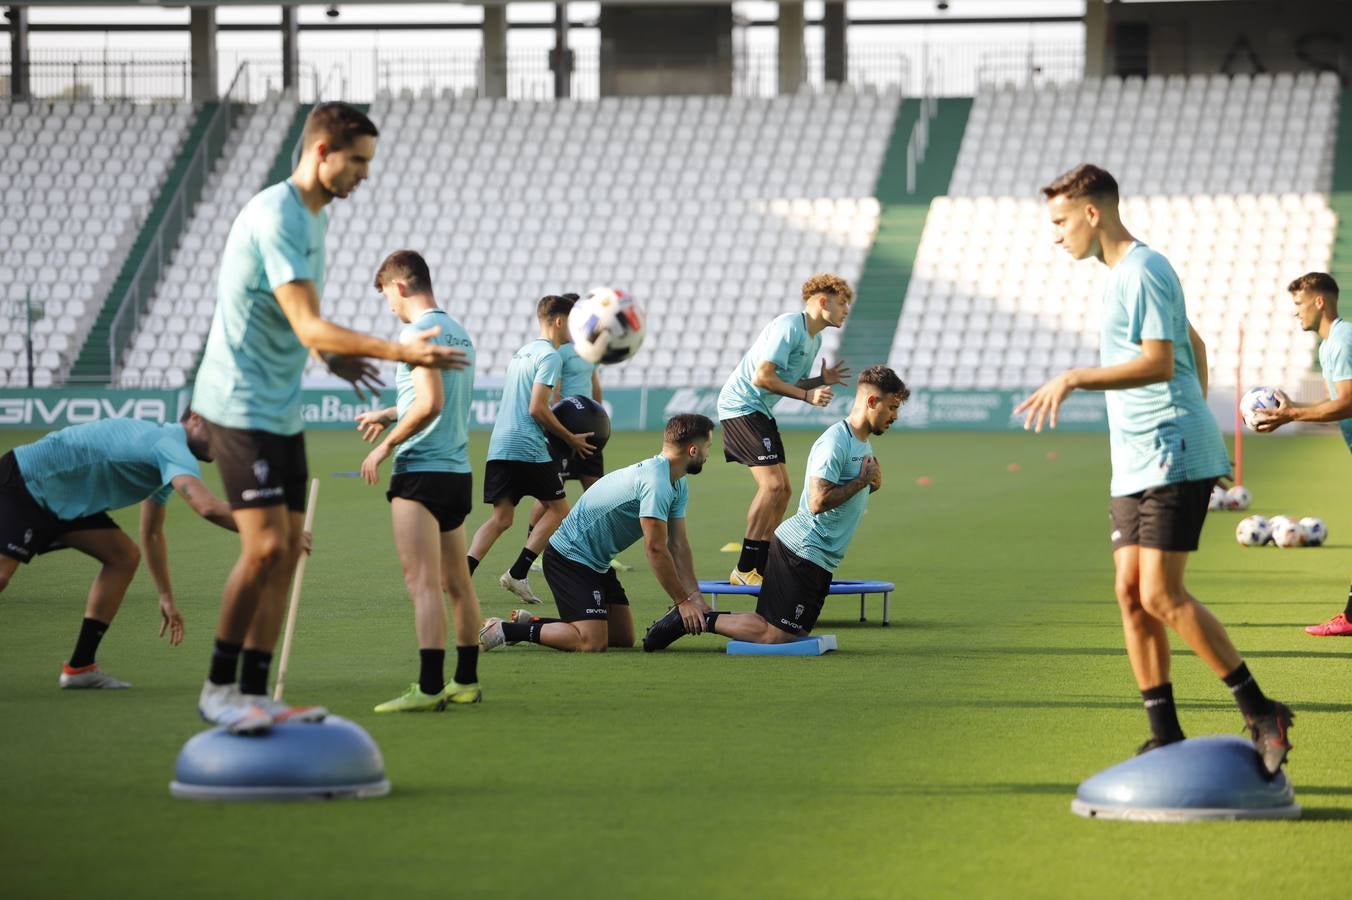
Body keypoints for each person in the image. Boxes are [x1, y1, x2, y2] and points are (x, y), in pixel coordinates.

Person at [191, 102, 468, 734]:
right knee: (262, 548)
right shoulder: (279, 216)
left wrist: (329, 359)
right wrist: (400, 349)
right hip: (239, 402)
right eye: (359, 161)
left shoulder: (313, 218)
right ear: (322, 152)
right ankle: (217, 687)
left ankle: (255, 693)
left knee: (287, 551)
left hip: (279, 406)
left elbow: (297, 318)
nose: (365, 175)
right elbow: (309, 321)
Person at [1014, 163, 1292, 776]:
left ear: (1092, 213)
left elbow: (1163, 362)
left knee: (1161, 594)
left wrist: (1077, 376)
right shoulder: (1119, 277)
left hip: (1169, 453)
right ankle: (1164, 733)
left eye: (1061, 221)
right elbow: (1195, 344)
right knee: (1130, 596)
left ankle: (1261, 711)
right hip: (1136, 461)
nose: (1055, 235)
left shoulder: (1145, 268)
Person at [643, 368, 905, 651]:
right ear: (871, 402)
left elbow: (853, 486)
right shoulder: (835, 441)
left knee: (793, 630)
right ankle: (691, 620)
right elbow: (818, 501)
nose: (895, 416)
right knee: (775, 635)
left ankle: (698, 619)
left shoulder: (861, 443)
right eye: (892, 407)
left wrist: (870, 484)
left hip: (820, 556)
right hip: (803, 550)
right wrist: (860, 482)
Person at [0, 411, 236, 687]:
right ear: (195, 419)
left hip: (62, 497)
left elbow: (152, 534)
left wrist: (166, 597)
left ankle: (81, 668)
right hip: (28, 481)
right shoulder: (170, 446)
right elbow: (207, 506)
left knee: (123, 556)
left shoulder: (165, 459)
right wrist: (276, 529)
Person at [354, 250, 485, 711]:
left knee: (423, 585)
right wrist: (389, 412)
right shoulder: (460, 333)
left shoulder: (416, 332)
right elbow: (436, 399)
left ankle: (429, 688)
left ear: (401, 286)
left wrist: (386, 444)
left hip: (420, 471)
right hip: (455, 472)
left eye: (386, 294)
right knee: (457, 585)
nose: (388, 304)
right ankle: (464, 681)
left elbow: (429, 404)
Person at [480, 414, 713, 653]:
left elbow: (678, 545)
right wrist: (682, 601)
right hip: (569, 558)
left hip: (597, 563)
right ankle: (504, 629)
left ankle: (531, 623)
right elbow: (655, 549)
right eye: (708, 447)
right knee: (592, 642)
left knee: (621, 637)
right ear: (693, 450)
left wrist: (694, 596)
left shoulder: (677, 482)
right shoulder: (656, 483)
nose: (708, 454)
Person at [717, 273, 852, 586]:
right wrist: (807, 395)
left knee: (784, 490)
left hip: (758, 410)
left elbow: (786, 382)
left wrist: (820, 381)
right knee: (773, 487)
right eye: (842, 303)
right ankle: (744, 567)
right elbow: (763, 378)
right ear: (822, 302)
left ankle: (759, 568)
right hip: (740, 407)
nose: (846, 310)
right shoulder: (789, 326)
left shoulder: (813, 339)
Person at [466, 295, 595, 605]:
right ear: (560, 321)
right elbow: (538, 408)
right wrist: (570, 437)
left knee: (501, 518)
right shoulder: (551, 357)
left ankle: (460, 574)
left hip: (500, 444)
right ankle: (518, 573)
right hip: (528, 446)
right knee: (560, 510)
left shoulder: (521, 353)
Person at [1252, 272, 1352, 635]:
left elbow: (1348, 402)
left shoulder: (1340, 341)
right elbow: (1338, 401)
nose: (1296, 313)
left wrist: (1292, 414)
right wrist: (1294, 410)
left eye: (1299, 304)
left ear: (1319, 302)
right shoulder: (1330, 345)